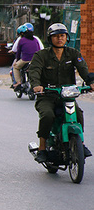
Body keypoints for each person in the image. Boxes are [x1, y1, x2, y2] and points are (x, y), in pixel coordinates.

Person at [29, 23, 92, 163]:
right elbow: (34, 71)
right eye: (56, 36)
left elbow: (83, 70)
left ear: (66, 37)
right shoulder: (42, 55)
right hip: (47, 96)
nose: (59, 39)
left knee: (78, 114)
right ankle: (42, 148)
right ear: (50, 38)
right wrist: (36, 86)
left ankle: (80, 144)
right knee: (47, 115)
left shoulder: (73, 53)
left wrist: (90, 82)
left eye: (62, 36)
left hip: (67, 96)